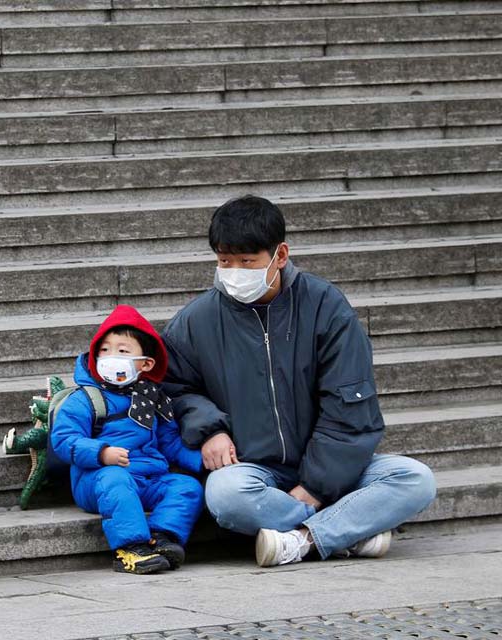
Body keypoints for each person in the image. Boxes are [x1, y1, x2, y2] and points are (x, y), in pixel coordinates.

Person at [160, 195, 437, 567]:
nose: (234, 271)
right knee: (225, 494)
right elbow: (175, 389)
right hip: (255, 468)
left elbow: (350, 405)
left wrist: (315, 486)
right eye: (225, 261)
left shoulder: (326, 306)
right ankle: (345, 532)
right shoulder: (195, 321)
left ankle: (303, 539)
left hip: (330, 466)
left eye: (247, 262)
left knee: (415, 478)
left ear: (281, 255)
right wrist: (209, 429)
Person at [50, 305, 204, 574]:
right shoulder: (86, 398)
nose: (111, 356)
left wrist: (202, 461)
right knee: (116, 479)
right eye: (105, 350)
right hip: (97, 479)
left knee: (186, 486)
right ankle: (130, 549)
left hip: (149, 478)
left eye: (122, 351)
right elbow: (64, 439)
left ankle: (162, 537)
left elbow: (169, 442)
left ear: (145, 363)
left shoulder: (153, 398)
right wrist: (101, 453)